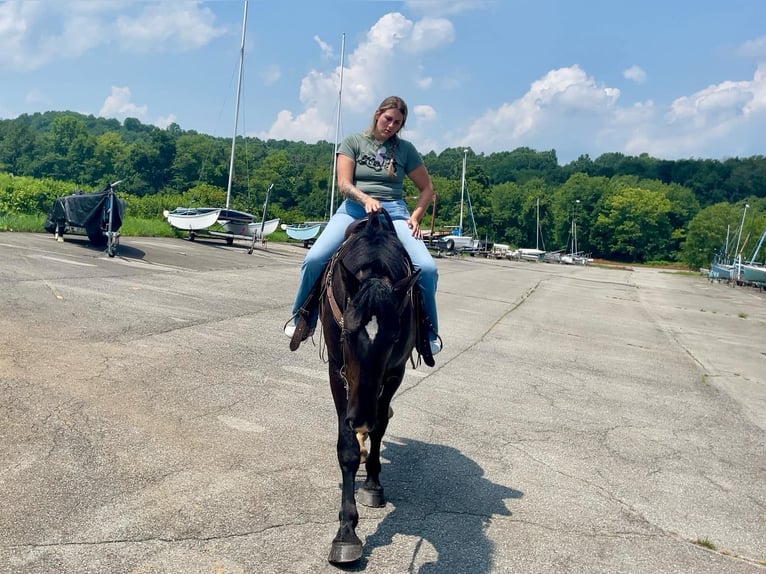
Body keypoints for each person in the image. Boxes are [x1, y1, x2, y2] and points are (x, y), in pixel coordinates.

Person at [285, 95, 441, 355]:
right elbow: (344, 184)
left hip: (394, 212)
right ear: (378, 113)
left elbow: (426, 189)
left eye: (397, 123)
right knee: (314, 259)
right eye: (388, 119)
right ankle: (303, 317)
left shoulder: (406, 151)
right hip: (354, 208)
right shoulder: (353, 142)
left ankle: (428, 331)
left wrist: (415, 217)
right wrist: (366, 198)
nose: (391, 125)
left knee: (427, 268)